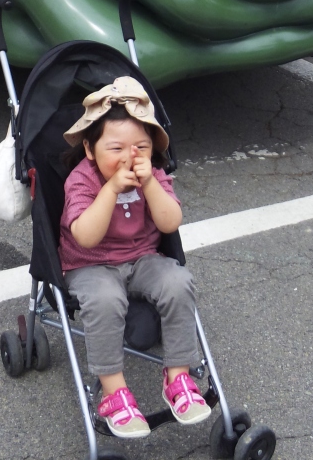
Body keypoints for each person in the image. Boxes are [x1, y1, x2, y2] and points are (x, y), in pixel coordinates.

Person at [59, 77, 211, 439]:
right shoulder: (82, 179)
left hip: (143, 257)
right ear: (90, 149)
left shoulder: (153, 175)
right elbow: (86, 235)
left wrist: (151, 185)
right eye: (116, 148)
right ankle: (114, 392)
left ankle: (178, 377)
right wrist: (111, 188)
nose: (130, 157)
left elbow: (170, 223)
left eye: (140, 147)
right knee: (104, 300)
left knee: (178, 281)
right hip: (90, 263)